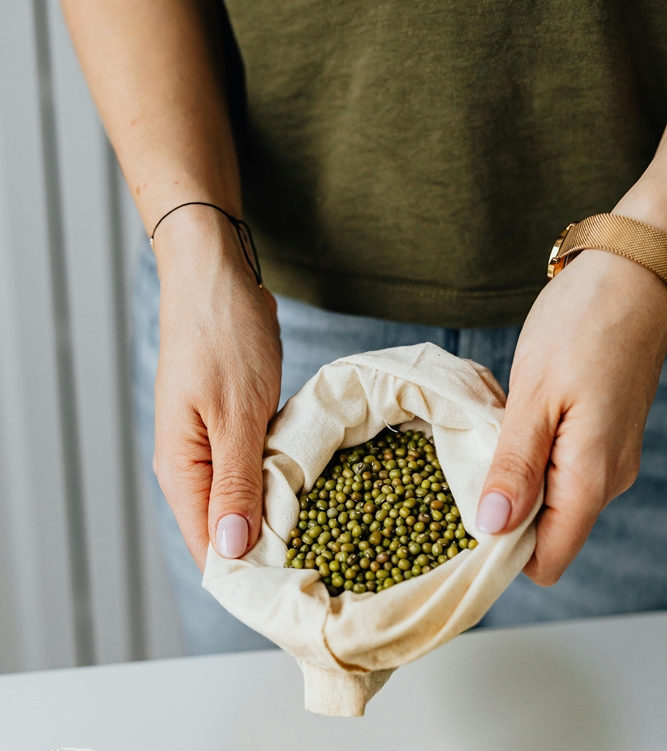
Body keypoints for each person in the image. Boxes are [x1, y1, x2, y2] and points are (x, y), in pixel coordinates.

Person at [62, 1, 667, 655]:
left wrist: (647, 243)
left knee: (592, 710)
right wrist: (193, 245)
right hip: (248, 315)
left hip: (626, 329)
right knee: (271, 715)